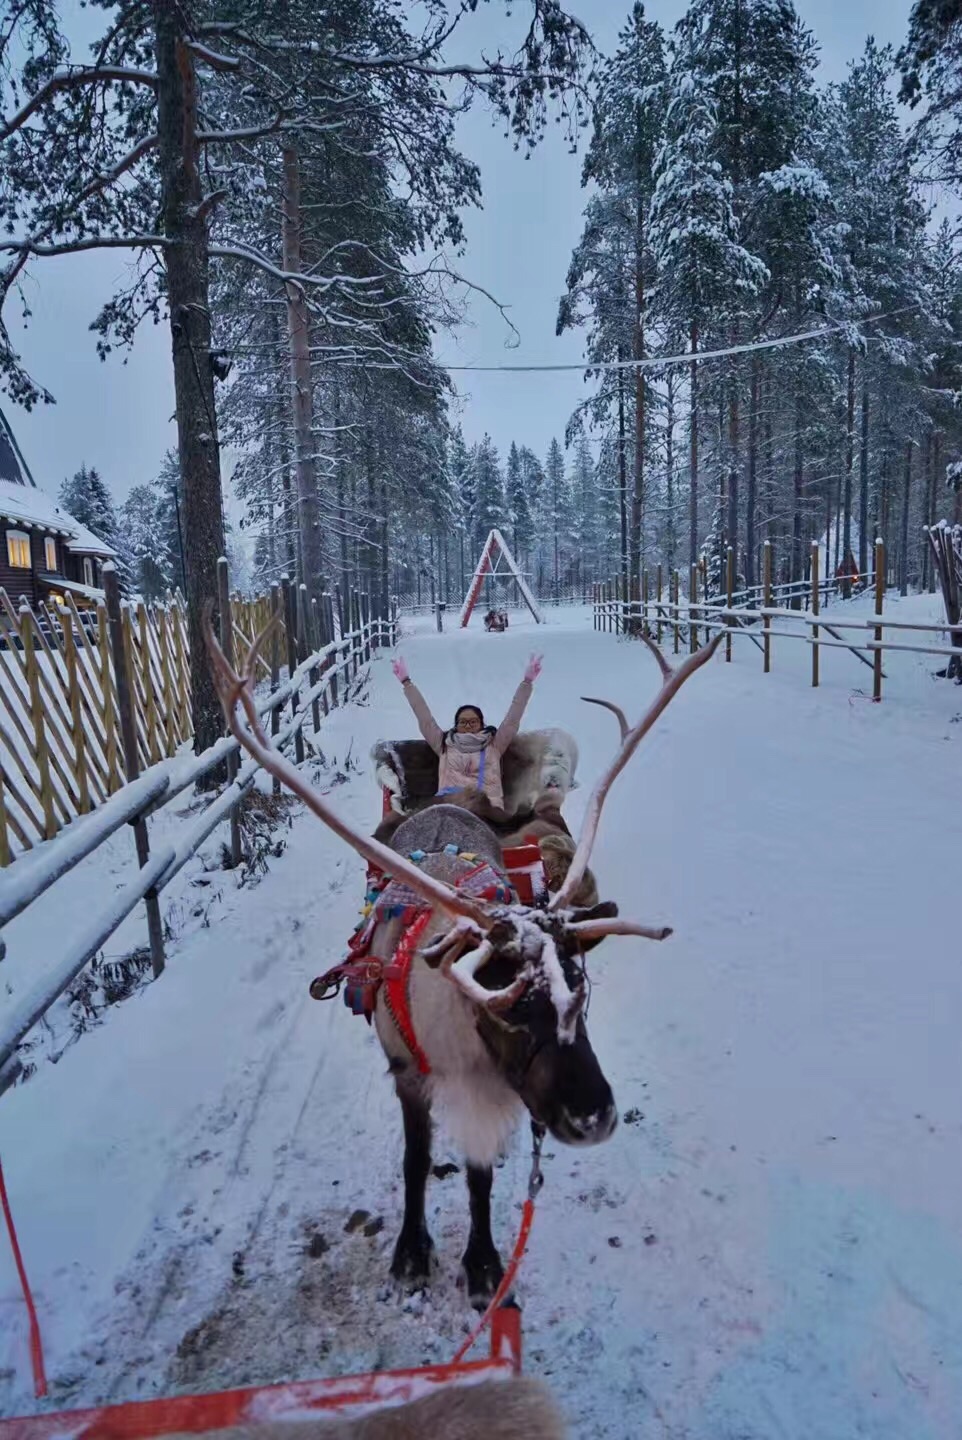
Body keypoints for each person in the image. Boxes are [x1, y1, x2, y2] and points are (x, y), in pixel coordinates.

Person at [390, 652, 543, 813]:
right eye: (463, 722)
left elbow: (512, 719)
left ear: (482, 724)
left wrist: (527, 682)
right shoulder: (444, 745)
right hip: (450, 808)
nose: (468, 725)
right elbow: (424, 717)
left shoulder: (495, 745)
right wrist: (407, 683)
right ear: (456, 725)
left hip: (488, 811)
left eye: (473, 721)